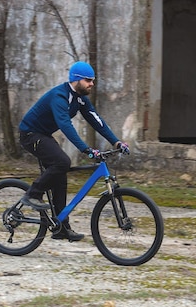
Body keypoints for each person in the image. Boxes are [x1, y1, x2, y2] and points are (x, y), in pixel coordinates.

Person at [18, 61, 130, 242]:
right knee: (62, 162)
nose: (92, 84)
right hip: (30, 135)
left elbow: (97, 121)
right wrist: (86, 149)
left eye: (93, 80)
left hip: (43, 135)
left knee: (60, 177)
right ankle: (33, 194)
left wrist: (116, 142)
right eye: (88, 80)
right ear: (76, 80)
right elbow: (65, 125)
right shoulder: (60, 96)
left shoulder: (80, 99)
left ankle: (61, 228)